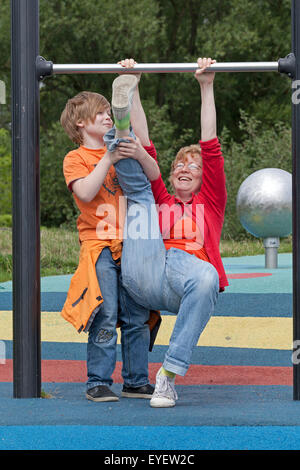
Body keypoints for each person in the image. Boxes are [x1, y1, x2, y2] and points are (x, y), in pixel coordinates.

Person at [105, 57, 228, 408]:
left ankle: (168, 376)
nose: (184, 168)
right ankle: (123, 117)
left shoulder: (212, 202)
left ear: (205, 177)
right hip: (147, 269)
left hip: (186, 282)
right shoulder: (162, 196)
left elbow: (210, 146)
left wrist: (207, 86)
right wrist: (135, 83)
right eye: (179, 165)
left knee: (205, 276)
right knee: (143, 184)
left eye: (193, 165)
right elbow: (150, 152)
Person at [60, 75, 161, 402]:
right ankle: (98, 381)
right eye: (100, 113)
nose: (107, 117)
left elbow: (154, 176)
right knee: (106, 311)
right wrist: (108, 157)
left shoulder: (122, 146)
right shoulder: (76, 159)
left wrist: (133, 89)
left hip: (132, 243)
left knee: (136, 314)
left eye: (109, 112)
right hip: (99, 246)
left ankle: (135, 379)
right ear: (80, 123)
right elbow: (87, 191)